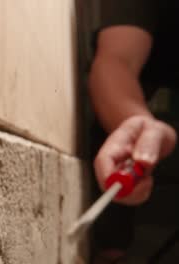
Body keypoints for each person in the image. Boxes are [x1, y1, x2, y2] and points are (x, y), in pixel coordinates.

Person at [89, 0, 178, 263]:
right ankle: (112, 253)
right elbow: (117, 60)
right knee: (117, 138)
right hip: (153, 69)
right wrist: (139, 123)